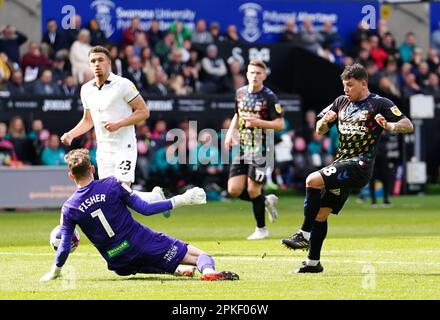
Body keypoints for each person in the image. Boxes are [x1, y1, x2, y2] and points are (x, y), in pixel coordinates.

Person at [281, 63, 414, 273]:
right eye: (344, 85)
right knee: (320, 215)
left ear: (363, 84)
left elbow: (408, 125)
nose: (346, 89)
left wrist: (389, 126)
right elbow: (319, 130)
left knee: (312, 180)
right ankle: (313, 264)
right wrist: (325, 121)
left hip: (360, 165)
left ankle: (303, 234)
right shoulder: (341, 102)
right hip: (341, 164)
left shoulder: (380, 103)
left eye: (350, 85)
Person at [40, 149, 239, 282]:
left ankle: (177, 269)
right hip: (141, 243)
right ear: (92, 169)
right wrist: (182, 199)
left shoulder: (69, 208)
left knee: (141, 262)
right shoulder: (112, 184)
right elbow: (145, 209)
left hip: (118, 262)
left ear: (71, 175)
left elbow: (65, 245)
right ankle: (210, 273)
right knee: (201, 256)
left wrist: (54, 272)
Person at [60, 45, 165, 205]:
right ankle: (155, 197)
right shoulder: (86, 89)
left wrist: (119, 124)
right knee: (110, 197)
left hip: (124, 146)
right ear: (89, 64)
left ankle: (152, 202)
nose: (97, 64)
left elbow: (143, 111)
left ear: (109, 62)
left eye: (101, 60)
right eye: (93, 61)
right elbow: (88, 120)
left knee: (120, 192)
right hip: (103, 150)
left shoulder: (123, 84)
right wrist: (71, 134)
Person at [224, 60, 284, 240]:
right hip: (244, 146)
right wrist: (230, 134)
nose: (254, 76)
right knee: (233, 190)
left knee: (252, 190)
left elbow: (280, 123)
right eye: (252, 72)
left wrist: (260, 123)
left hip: (262, 148)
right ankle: (265, 200)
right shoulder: (240, 93)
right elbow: (237, 115)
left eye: (258, 73)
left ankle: (261, 229)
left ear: (264, 76)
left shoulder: (270, 97)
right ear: (247, 74)